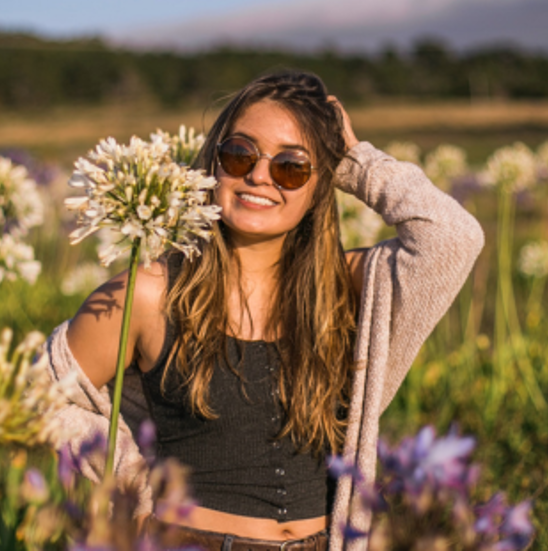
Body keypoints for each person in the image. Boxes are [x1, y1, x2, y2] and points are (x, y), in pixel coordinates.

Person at [46, 70, 484, 551]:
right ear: (214, 161)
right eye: (240, 154)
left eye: (292, 167)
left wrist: (356, 162)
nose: (258, 175)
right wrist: (131, 485)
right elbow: (38, 399)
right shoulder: (150, 292)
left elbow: (454, 238)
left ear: (321, 185)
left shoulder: (345, 286)